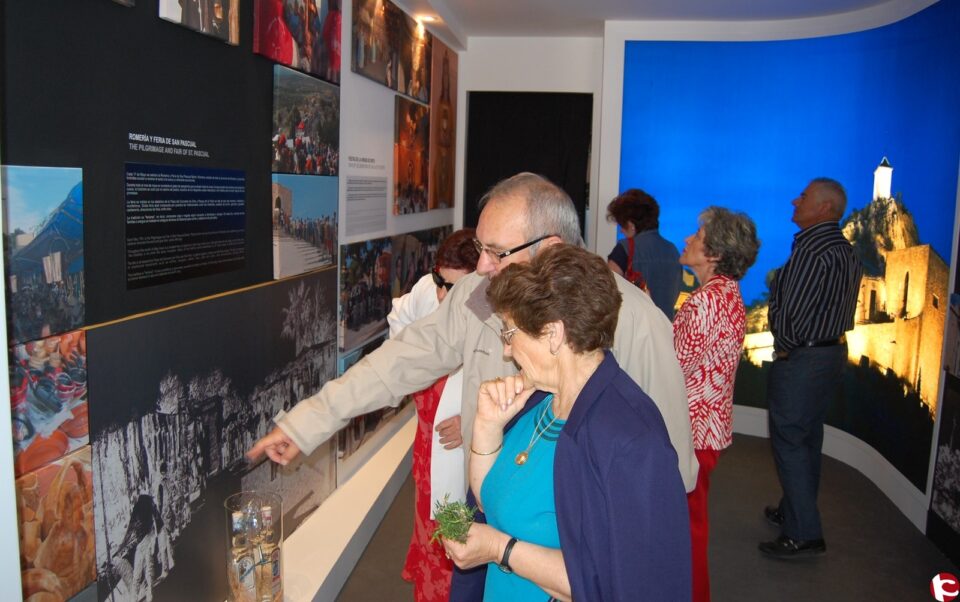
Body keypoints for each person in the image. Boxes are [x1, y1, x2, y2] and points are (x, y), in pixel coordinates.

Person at [246, 172, 696, 495]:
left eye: (497, 252)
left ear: (551, 248)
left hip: (576, 549)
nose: (482, 267)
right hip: (489, 515)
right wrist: (308, 421)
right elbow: (397, 363)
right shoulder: (478, 297)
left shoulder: (635, 322)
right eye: (482, 249)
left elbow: (671, 467)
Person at [441, 245, 691, 601]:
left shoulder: (629, 439)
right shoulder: (542, 402)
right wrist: (487, 426)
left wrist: (500, 549)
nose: (507, 350)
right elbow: (490, 502)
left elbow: (621, 585)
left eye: (510, 333)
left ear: (553, 334)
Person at [759, 178, 862, 558]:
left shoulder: (810, 250)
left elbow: (791, 320)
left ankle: (803, 532)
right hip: (831, 355)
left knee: (789, 439)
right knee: (807, 439)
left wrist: (782, 341)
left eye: (802, 196)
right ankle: (793, 510)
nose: (794, 199)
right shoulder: (846, 252)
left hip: (804, 360)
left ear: (823, 208)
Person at [387, 229, 480, 602]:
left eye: (452, 288)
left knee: (457, 540)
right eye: (440, 281)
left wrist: (472, 421)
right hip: (426, 447)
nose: (442, 294)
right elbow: (399, 313)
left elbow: (524, 387)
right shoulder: (430, 293)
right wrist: (406, 365)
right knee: (429, 529)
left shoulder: (495, 318)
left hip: (465, 457)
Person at [673, 207, 759, 600]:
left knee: (687, 527)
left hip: (690, 432)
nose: (689, 239)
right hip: (706, 432)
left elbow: (674, 367)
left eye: (698, 234)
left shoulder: (706, 301)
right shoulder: (726, 296)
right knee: (691, 522)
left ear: (715, 254)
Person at [606, 188, 683, 319]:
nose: (621, 232)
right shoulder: (673, 251)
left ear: (631, 225)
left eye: (622, 226)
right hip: (666, 330)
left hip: (635, 330)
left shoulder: (624, 249)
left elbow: (608, 293)